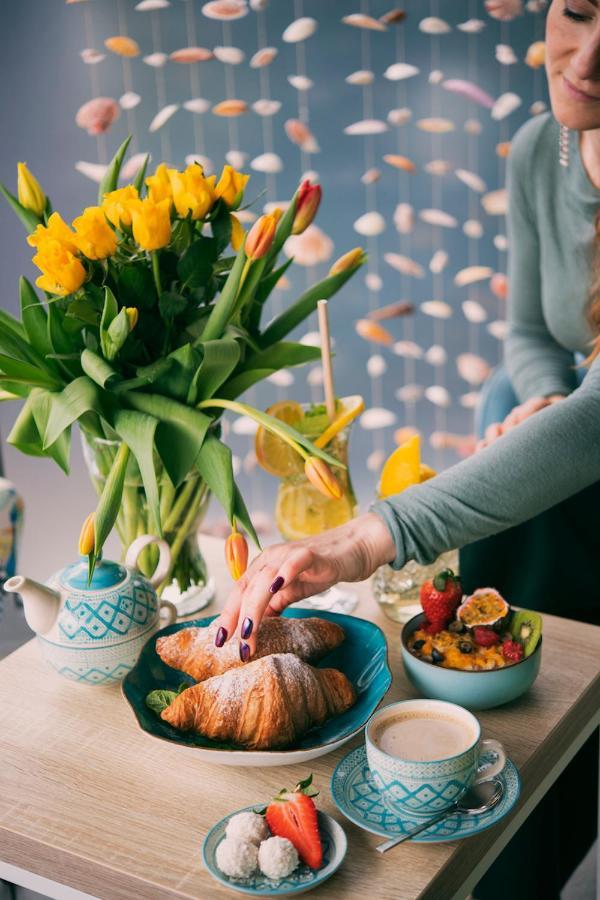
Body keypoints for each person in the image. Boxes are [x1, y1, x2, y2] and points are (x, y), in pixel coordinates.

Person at [216, 2, 599, 896]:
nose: (586, 57)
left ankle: (531, 826)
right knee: (508, 400)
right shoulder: (543, 150)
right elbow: (530, 332)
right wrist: (538, 397)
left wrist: (359, 537)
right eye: (577, 11)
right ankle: (493, 732)